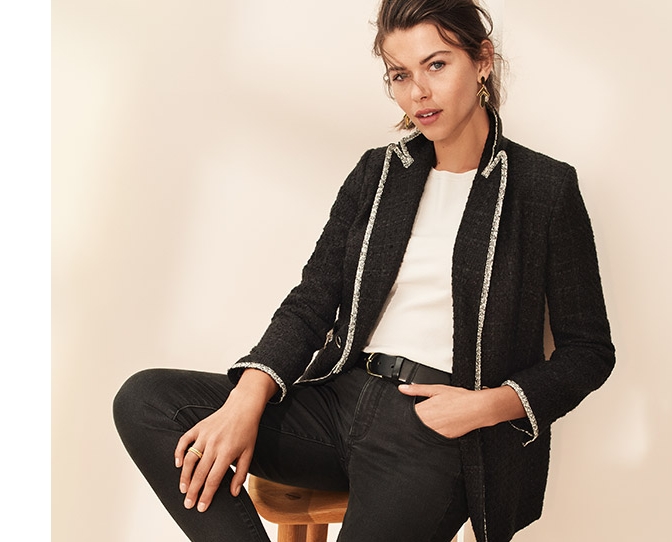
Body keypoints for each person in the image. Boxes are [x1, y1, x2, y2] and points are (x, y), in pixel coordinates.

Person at [113, 0, 615, 540]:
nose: (418, 91)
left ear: (482, 61)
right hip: (338, 401)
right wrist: (246, 398)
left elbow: (588, 351)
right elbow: (313, 301)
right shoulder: (378, 174)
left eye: (436, 65)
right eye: (400, 74)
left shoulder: (543, 189)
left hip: (433, 431)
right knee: (146, 402)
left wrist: (486, 407)